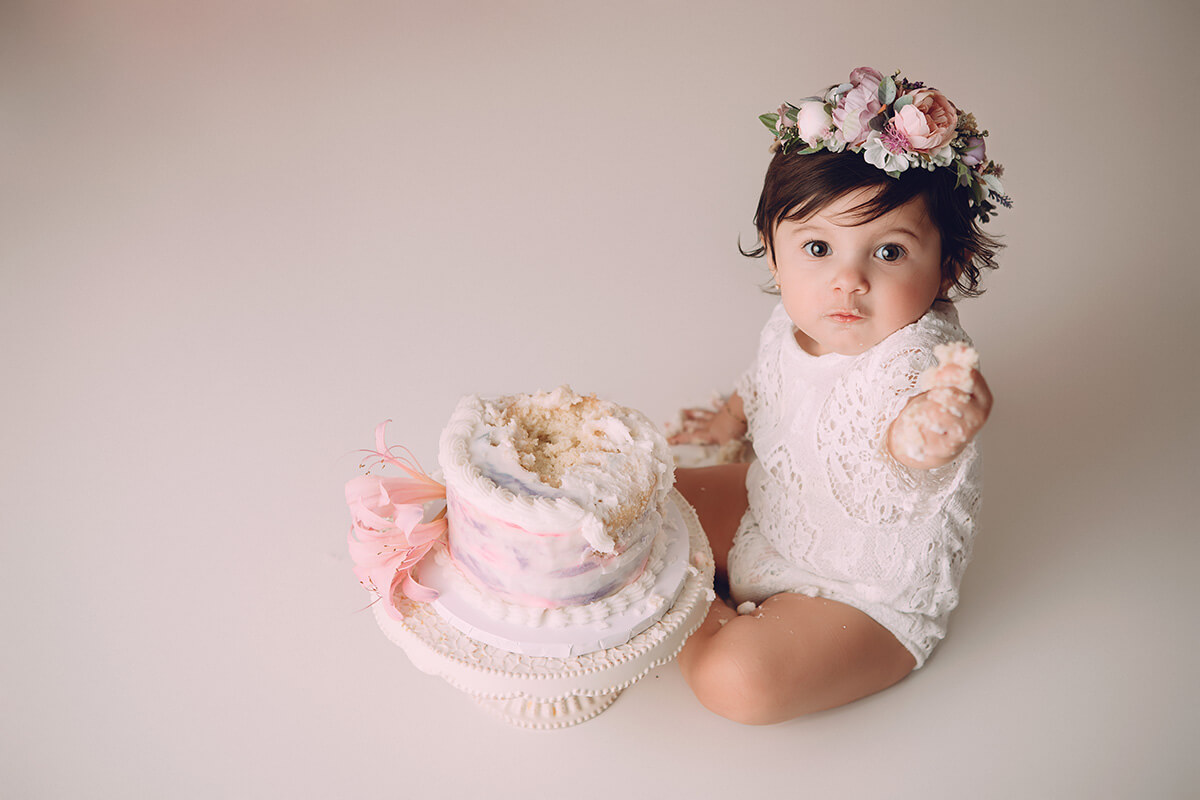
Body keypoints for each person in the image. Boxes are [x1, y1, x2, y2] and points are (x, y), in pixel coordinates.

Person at [671, 67, 1010, 725]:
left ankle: (676, 605)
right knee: (654, 500)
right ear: (772, 255)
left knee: (736, 681)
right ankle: (685, 577)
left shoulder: (923, 362)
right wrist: (727, 419)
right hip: (779, 509)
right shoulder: (798, 319)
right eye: (818, 247)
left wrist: (931, 435)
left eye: (887, 252)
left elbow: (907, 450)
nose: (846, 281)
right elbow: (767, 381)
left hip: (864, 591)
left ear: (949, 265)